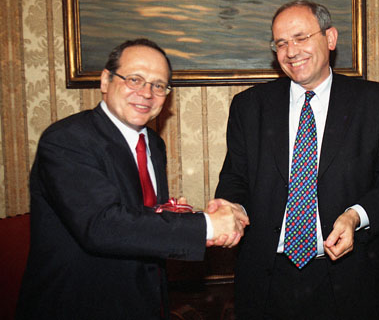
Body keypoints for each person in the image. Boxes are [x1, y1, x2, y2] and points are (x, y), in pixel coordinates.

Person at [17, 39, 249, 320]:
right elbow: (102, 225)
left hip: (145, 300)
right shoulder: (67, 139)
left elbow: (137, 216)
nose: (146, 93)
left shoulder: (153, 143)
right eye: (135, 79)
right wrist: (206, 226)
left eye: (158, 85)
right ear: (105, 80)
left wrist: (176, 216)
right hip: (79, 304)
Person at [215, 0, 379, 319]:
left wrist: (355, 216)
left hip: (354, 278)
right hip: (268, 281)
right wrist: (233, 208)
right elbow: (235, 179)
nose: (291, 51)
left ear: (330, 38)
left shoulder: (376, 102)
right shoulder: (249, 106)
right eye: (281, 43)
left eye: (301, 38)